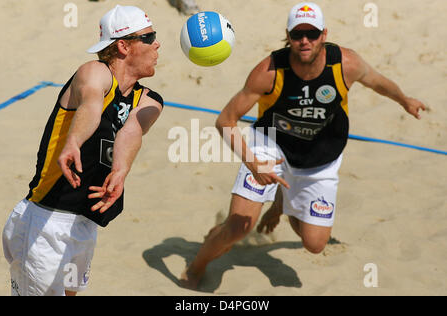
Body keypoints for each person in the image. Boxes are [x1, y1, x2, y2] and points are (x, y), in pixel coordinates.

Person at [180, 2, 426, 289]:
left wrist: (405, 100)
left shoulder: (346, 64)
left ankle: (283, 204)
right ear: (288, 35)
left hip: (321, 155)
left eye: (311, 33)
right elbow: (225, 121)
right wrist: (252, 162)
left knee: (315, 244)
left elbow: (378, 82)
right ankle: (196, 267)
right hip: (270, 146)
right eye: (298, 35)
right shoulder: (269, 70)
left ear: (324, 34)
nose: (304, 41)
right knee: (238, 228)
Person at [2, 5, 163, 296]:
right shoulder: (94, 72)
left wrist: (121, 170)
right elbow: (91, 103)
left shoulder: (150, 100)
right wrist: (74, 142)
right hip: (45, 221)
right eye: (149, 36)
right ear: (124, 46)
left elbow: (131, 131)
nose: (157, 43)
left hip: (84, 227)